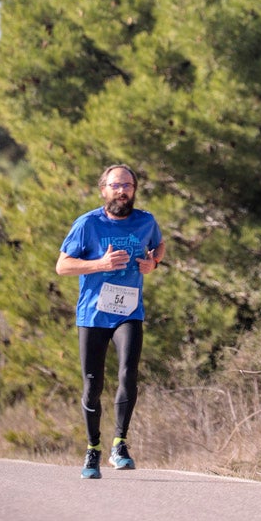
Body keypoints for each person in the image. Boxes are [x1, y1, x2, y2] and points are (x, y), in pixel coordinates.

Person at [56, 163, 165, 479]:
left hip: (129, 312)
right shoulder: (88, 224)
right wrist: (99, 263)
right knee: (93, 384)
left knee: (128, 372)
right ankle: (93, 449)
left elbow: (158, 244)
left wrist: (153, 263)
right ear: (103, 189)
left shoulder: (146, 221)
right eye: (116, 185)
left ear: (134, 190)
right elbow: (62, 266)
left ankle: (120, 445)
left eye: (128, 185)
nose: (123, 190)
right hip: (93, 315)